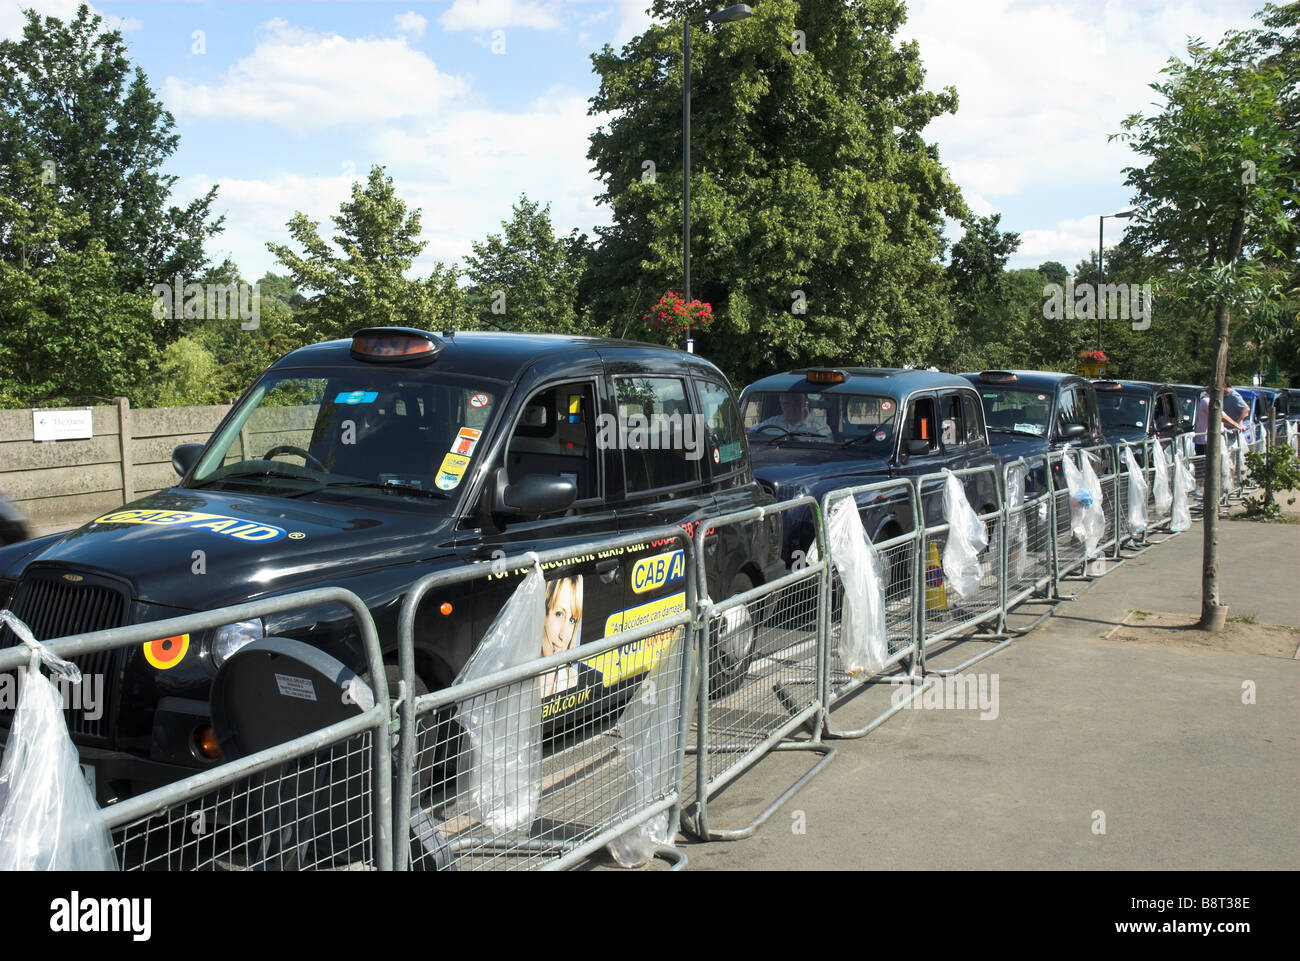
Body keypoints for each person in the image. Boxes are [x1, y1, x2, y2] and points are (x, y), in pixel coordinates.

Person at [539, 576, 583, 699]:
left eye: (572, 620)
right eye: (559, 614)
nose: (563, 635)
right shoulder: (512, 685)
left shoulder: (573, 679)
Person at [1193, 386, 1246, 455]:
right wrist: (1237, 425)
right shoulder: (1207, 401)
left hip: (1212, 440)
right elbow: (1220, 416)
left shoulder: (1213, 402)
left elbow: (1223, 416)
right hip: (1205, 441)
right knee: (1206, 464)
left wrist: (1236, 425)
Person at [758, 392, 831, 437]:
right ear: (781, 404)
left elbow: (828, 454)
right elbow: (752, 432)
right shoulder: (773, 422)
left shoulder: (820, 428)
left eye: (795, 403)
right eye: (786, 404)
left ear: (803, 403)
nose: (790, 408)